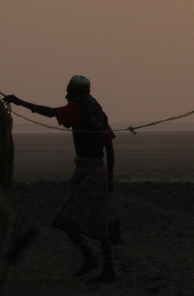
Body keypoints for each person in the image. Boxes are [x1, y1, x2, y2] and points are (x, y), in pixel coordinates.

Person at [7, 76, 116, 282]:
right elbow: (109, 146)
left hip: (87, 172)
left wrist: (19, 102)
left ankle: (90, 258)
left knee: (65, 221)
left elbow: (52, 113)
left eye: (68, 91)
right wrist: (109, 177)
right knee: (100, 220)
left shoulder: (78, 107)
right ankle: (108, 269)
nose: (66, 95)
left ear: (76, 91)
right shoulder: (97, 111)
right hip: (99, 171)